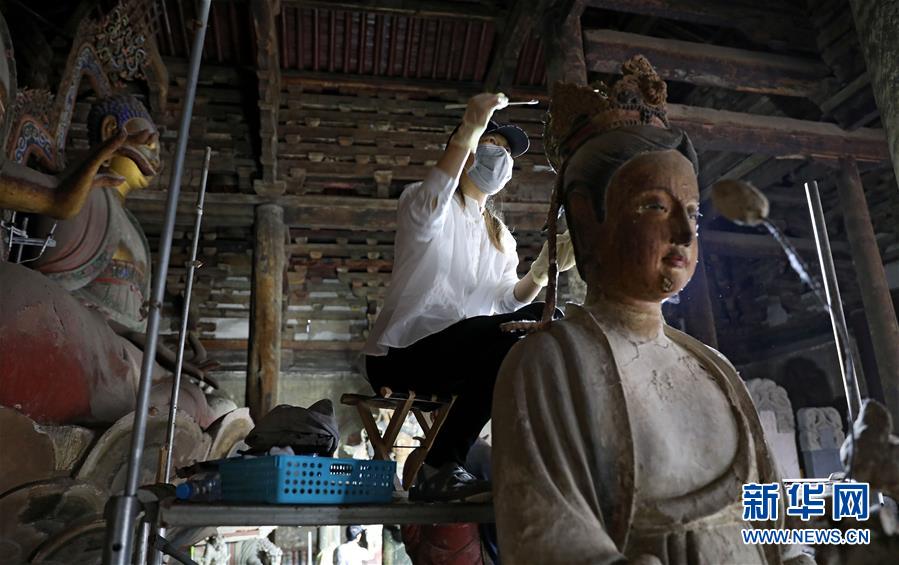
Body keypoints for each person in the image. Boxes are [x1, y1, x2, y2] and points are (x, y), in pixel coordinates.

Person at [491, 56, 813, 564]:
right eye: (655, 207)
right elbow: (547, 540)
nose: (684, 234)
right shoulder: (548, 366)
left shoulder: (715, 367)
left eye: (693, 213)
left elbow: (774, 518)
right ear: (586, 221)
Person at [363, 92, 576, 501]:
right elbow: (434, 197)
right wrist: (470, 127)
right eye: (490, 143)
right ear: (465, 151)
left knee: (542, 322)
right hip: (403, 356)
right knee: (519, 328)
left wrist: (541, 270)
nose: (499, 155)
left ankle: (442, 464)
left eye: (505, 151)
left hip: (461, 357)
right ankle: (441, 465)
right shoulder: (427, 205)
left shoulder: (501, 238)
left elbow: (508, 302)